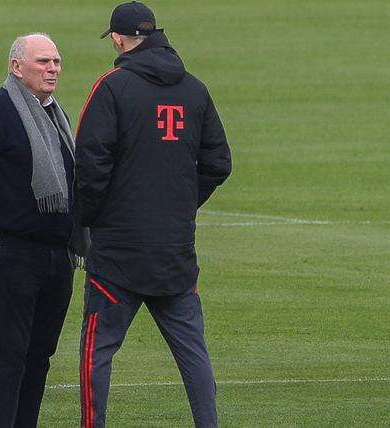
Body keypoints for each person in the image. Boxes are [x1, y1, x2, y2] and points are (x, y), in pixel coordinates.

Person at [73, 2, 232, 427]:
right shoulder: (195, 89)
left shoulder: (112, 87)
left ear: (121, 39)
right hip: (174, 250)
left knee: (97, 350)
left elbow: (90, 165)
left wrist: (87, 219)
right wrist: (180, 205)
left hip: (117, 254)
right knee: (193, 352)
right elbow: (219, 162)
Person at [0, 33, 77, 428]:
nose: (53, 68)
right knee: (8, 357)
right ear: (16, 67)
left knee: (39, 358)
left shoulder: (57, 117)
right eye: (43, 61)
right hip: (12, 254)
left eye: (56, 61)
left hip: (56, 256)